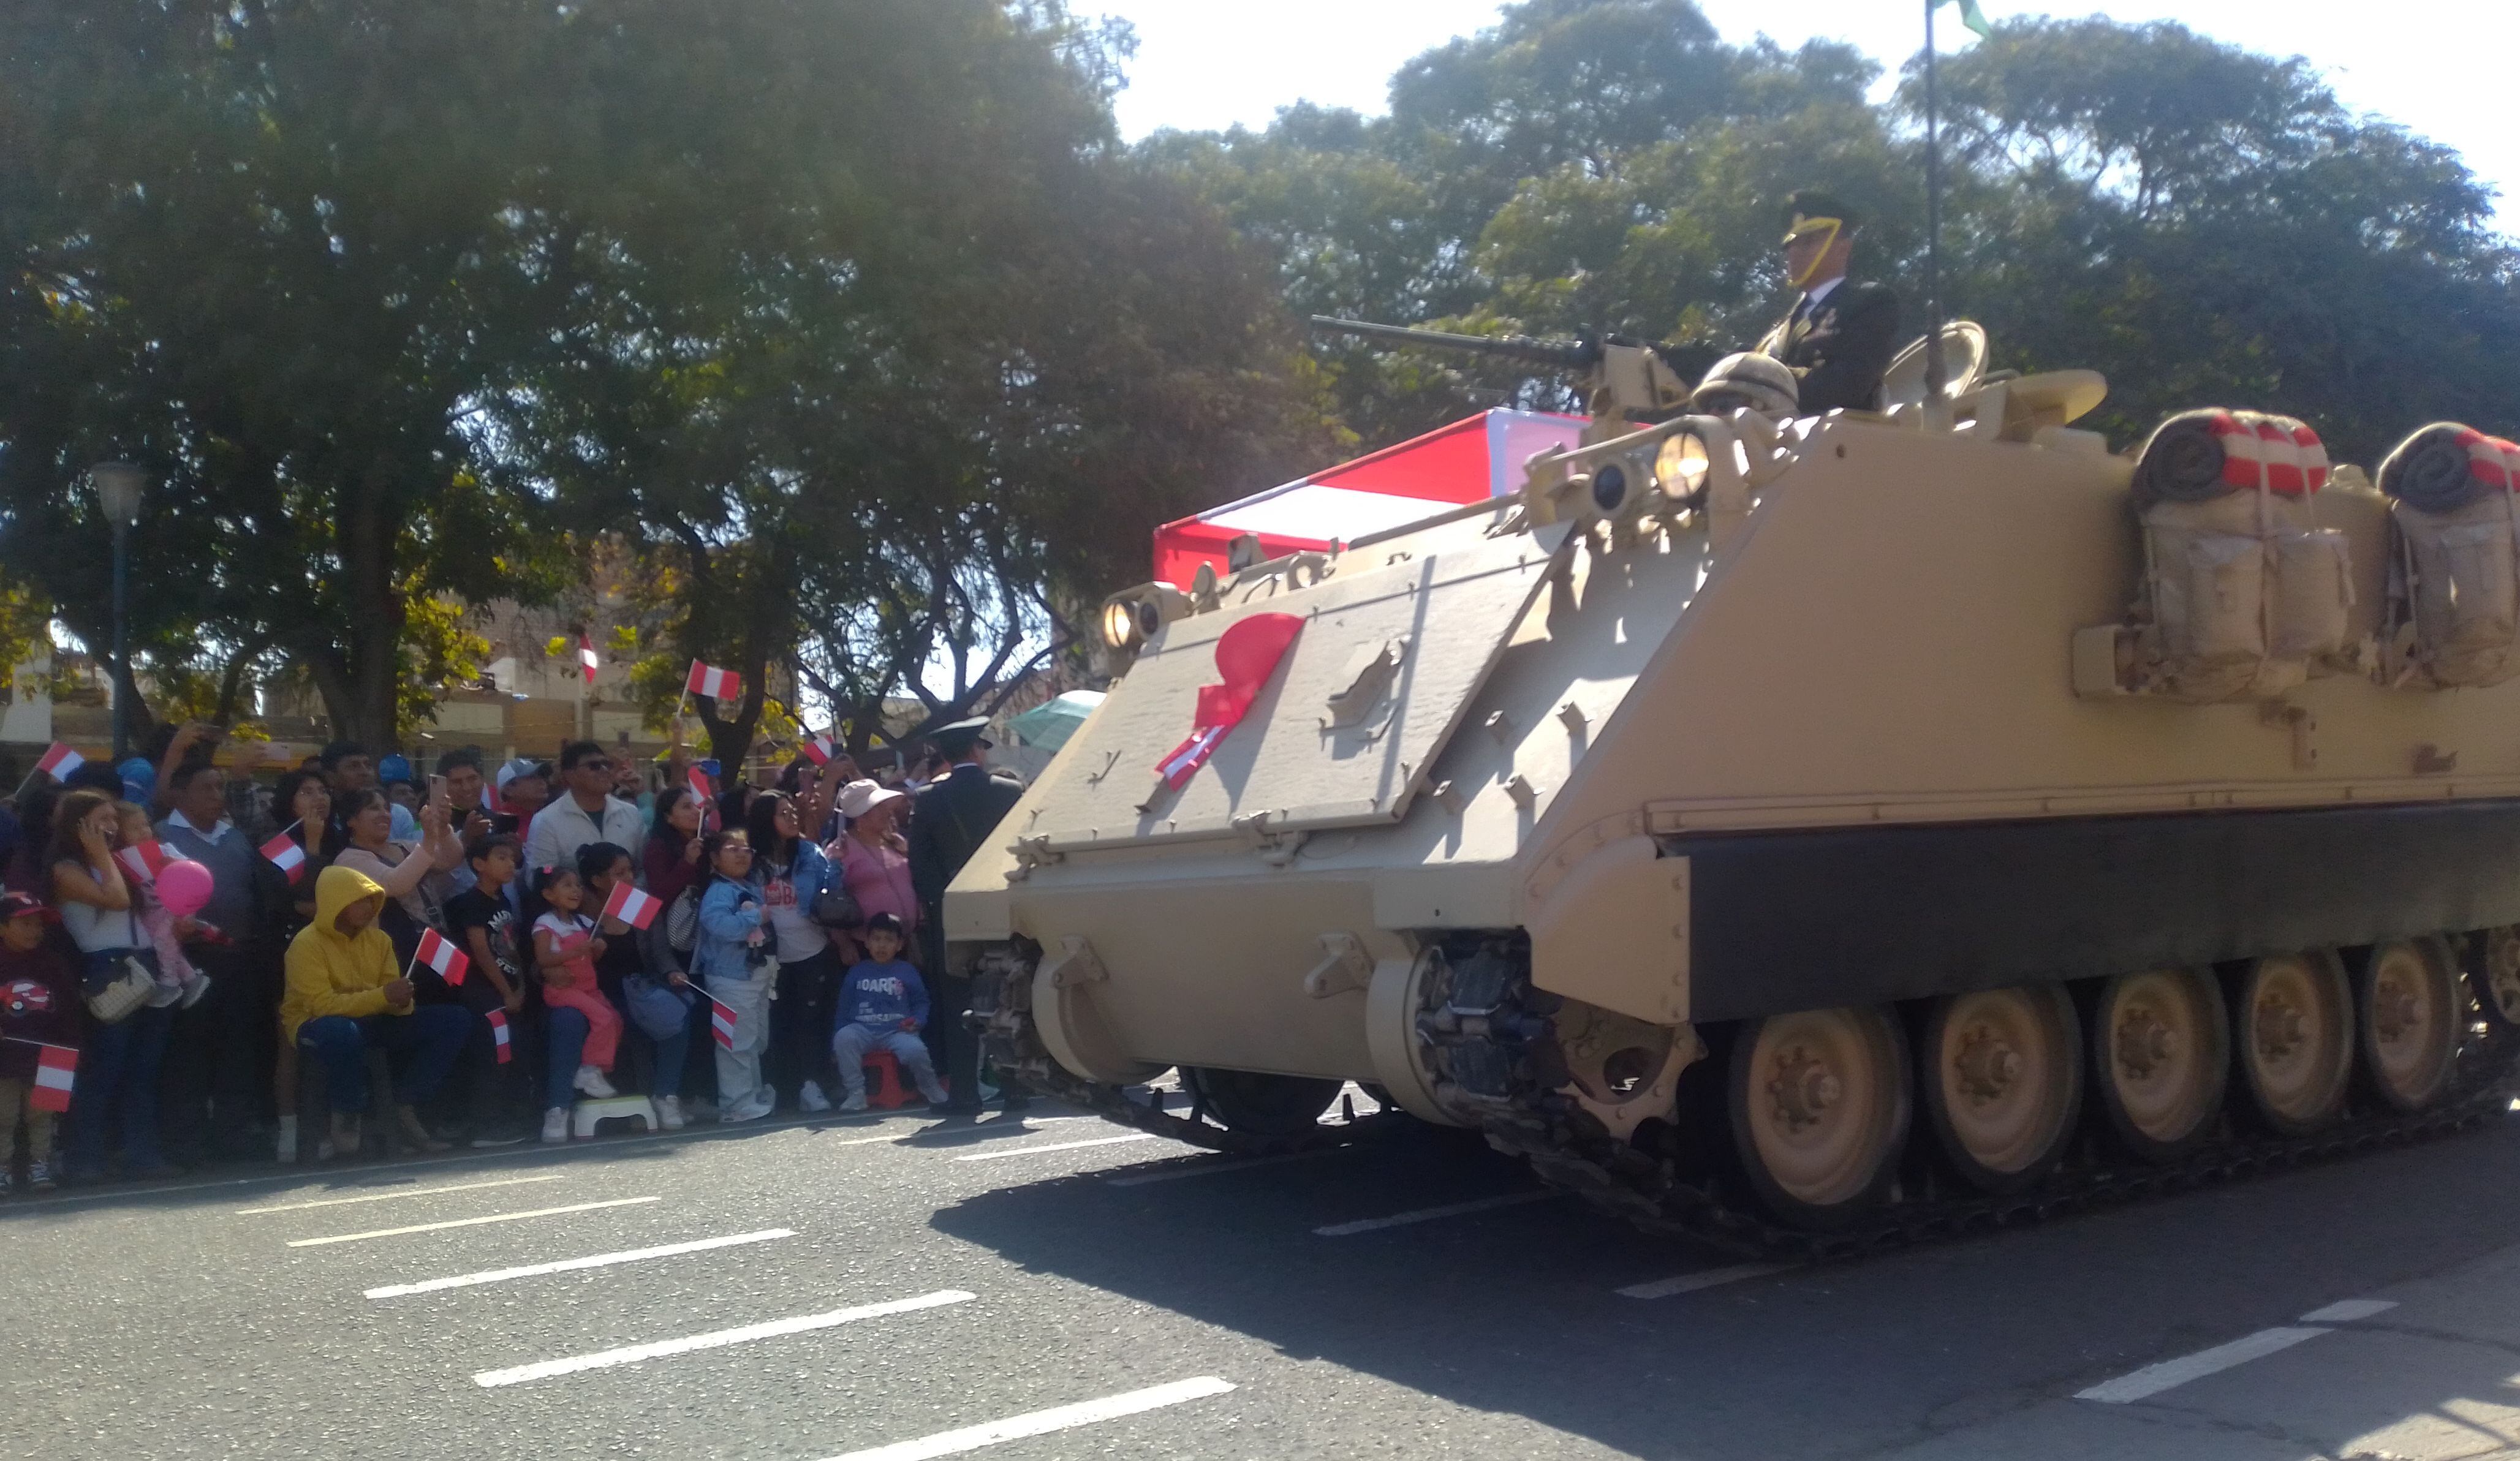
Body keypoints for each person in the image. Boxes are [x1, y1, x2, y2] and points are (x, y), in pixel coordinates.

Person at [280, 865, 471, 1157]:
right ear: (335, 902)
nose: (368, 906)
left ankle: (406, 1103)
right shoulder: (306, 944)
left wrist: (402, 1000)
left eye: (371, 899)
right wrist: (383, 996)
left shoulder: (380, 940)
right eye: (359, 900)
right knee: (342, 1031)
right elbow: (322, 1005)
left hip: (371, 1019)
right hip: (317, 1025)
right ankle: (347, 1113)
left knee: (454, 1020)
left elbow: (392, 1000)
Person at [51, 789, 180, 1180]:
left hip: (148, 965)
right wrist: (102, 855)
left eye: (113, 820)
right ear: (79, 824)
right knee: (105, 1068)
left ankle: (140, 1153)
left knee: (143, 1070)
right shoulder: (66, 868)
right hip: (108, 968)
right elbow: (116, 900)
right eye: (101, 821)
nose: (111, 828)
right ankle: (83, 1158)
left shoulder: (122, 864)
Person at [157, 761, 281, 1164]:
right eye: (206, 788)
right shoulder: (161, 837)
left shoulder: (237, 838)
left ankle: (235, 1136)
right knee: (189, 1054)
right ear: (180, 794)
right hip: (189, 962)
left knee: (238, 1051)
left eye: (220, 788)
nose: (217, 796)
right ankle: (186, 1142)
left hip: (240, 959)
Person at [907, 718, 1027, 1114]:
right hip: (1003, 909)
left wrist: (940, 906)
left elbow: (920, 868)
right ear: (977, 749)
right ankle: (1015, 1088)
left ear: (944, 755)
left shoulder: (927, 799)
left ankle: (964, 1093)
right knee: (1011, 998)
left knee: (957, 1004)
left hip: (953, 913)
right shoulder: (1009, 791)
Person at [1753, 188, 1899, 416]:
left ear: (1843, 248)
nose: (1794, 253)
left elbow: (1848, 386)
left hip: (1839, 445)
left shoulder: (1869, 303)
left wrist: (1764, 381)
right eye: (1791, 245)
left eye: (1808, 242)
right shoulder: (1780, 329)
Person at [746, 790, 843, 1112]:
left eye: (792, 812)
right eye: (782, 814)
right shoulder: (751, 861)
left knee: (809, 1022)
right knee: (772, 1026)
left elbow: (829, 889)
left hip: (812, 950)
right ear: (765, 820)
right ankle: (776, 1088)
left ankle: (810, 1085)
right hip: (769, 956)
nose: (792, 818)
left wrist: (837, 863)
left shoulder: (808, 852)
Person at [581, 841, 689, 1130]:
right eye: (619, 873)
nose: (629, 878)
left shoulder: (638, 905)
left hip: (643, 989)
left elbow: (661, 953)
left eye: (631, 870)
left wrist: (673, 973)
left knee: (681, 1014)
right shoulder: (582, 913)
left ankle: (666, 1095)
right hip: (602, 995)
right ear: (597, 881)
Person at [441, 832, 534, 1147]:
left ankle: (507, 1115)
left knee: (512, 1052)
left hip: (508, 991)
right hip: (483, 994)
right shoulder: (470, 903)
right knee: (495, 1053)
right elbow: (481, 951)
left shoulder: (503, 900)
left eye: (512, 858)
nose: (511, 864)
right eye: (501, 858)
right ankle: (484, 1125)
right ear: (480, 864)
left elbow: (510, 947)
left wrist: (519, 985)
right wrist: (505, 991)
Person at [526, 862, 620, 1144]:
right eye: (567, 885)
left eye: (577, 885)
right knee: (602, 1020)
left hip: (588, 989)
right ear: (548, 894)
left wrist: (599, 948)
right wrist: (576, 952)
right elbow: (543, 959)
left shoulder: (584, 923)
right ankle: (588, 1071)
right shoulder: (545, 924)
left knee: (614, 1020)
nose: (576, 890)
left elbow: (593, 957)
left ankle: (594, 1070)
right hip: (563, 992)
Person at [692, 829, 774, 1122]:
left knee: (753, 1039)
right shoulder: (718, 891)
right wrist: (756, 916)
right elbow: (720, 926)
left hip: (755, 975)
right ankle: (736, 1103)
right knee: (735, 1042)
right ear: (714, 858)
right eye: (732, 849)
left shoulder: (749, 886)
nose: (743, 855)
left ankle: (751, 1094)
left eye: (747, 850)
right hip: (729, 977)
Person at [330, 788, 462, 968]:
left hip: (436, 940)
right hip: (398, 952)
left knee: (452, 993)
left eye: (386, 808)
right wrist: (429, 840)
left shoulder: (404, 846)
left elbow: (451, 859)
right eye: (374, 808)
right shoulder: (349, 859)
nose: (384, 814)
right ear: (351, 820)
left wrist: (444, 828)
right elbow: (396, 884)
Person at [0, 893, 79, 1193]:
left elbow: (69, 1010)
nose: (35, 931)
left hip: (52, 1054)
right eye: (24, 924)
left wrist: (71, 1050)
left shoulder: (52, 964)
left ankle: (41, 1164)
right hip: (4, 1059)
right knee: (3, 1115)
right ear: (2, 928)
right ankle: (3, 1168)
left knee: (44, 1114)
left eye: (38, 924)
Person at [830, 913, 948, 1112]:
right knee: (844, 1038)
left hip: (897, 1030)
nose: (882, 946)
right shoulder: (857, 971)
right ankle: (856, 1093)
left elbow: (921, 1002)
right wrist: (838, 1033)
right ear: (867, 943)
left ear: (900, 945)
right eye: (876, 939)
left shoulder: (907, 971)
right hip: (862, 1029)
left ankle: (930, 1087)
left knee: (916, 1051)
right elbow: (844, 1006)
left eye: (889, 940)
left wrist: (917, 1021)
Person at [524, 741, 646, 881]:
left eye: (607, 765)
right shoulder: (547, 820)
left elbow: (643, 869)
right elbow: (541, 872)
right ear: (570, 775)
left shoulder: (631, 814)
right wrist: (565, 882)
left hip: (628, 901)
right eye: (594, 766)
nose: (604, 770)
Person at [830, 779, 918, 964]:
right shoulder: (840, 850)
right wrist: (843, 943)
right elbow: (830, 900)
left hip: (905, 942)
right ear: (860, 817)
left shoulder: (895, 842)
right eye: (878, 808)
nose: (888, 812)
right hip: (867, 947)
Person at [261, 769, 345, 938]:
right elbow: (303, 899)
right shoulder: (276, 841)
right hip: (294, 937)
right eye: (307, 792)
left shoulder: (337, 837)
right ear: (290, 801)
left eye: (323, 791)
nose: (320, 798)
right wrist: (312, 843)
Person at [320, 741, 419, 842]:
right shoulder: (322, 817)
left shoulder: (398, 814)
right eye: (354, 766)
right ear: (330, 777)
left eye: (368, 765)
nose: (365, 772)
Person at [434, 748, 498, 894]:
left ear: (483, 780)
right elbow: (433, 886)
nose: (467, 788)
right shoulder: (433, 825)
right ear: (443, 786)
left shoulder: (496, 819)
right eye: (457, 782)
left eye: (472, 779)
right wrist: (464, 841)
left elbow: (540, 871)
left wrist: (518, 859)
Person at [642, 785, 706, 912]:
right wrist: (688, 862)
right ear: (668, 817)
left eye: (697, 806)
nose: (697, 811)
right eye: (687, 807)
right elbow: (659, 895)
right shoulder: (658, 848)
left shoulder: (707, 842)